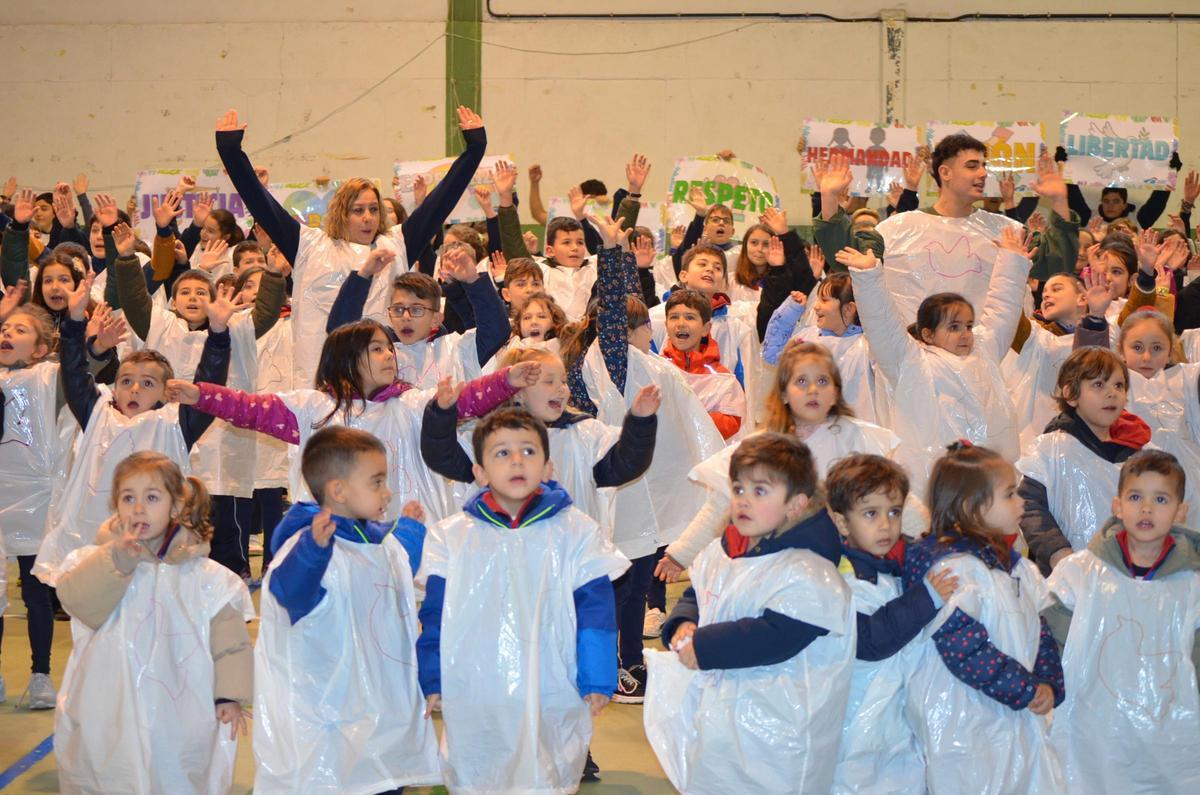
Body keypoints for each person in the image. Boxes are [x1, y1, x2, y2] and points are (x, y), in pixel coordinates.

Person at [416, 407, 630, 792]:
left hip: (553, 677)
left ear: (548, 467)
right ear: (479, 472)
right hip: (477, 682)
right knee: (480, 766)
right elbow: (435, 613)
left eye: (528, 452)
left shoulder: (575, 531)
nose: (517, 461)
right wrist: (432, 674)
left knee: (547, 767)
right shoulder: (451, 536)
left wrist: (597, 675)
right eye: (502, 453)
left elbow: (596, 610)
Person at [214, 105, 488, 387]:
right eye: (358, 210)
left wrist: (475, 147)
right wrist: (230, 150)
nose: (368, 218)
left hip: (382, 383)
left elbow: (441, 200)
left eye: (373, 209)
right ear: (342, 214)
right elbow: (260, 201)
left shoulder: (397, 244)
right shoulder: (308, 245)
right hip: (320, 379)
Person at [165, 318, 538, 524]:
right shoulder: (312, 409)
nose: (389, 355)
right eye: (376, 349)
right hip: (337, 538)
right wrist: (201, 394)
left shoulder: (411, 404)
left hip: (407, 531)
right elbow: (248, 408)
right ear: (345, 359)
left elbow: (467, 400)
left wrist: (507, 381)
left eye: (389, 349)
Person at [645, 433, 855, 794]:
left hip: (779, 731)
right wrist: (683, 623)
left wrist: (705, 646)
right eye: (739, 489)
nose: (743, 500)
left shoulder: (810, 570)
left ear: (796, 504)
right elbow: (700, 591)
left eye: (760, 491)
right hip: (722, 720)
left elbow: (778, 635)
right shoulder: (721, 551)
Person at [54, 452, 254, 794]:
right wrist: (116, 559)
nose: (138, 508)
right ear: (115, 505)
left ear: (175, 507)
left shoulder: (205, 578)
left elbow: (230, 641)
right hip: (107, 706)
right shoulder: (97, 561)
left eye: (151, 497)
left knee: (174, 774)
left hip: (179, 710)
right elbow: (79, 602)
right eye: (128, 497)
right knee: (109, 773)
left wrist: (228, 696)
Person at [253, 427, 439, 793]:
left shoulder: (372, 542)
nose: (387, 492)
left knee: (381, 778)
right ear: (338, 490)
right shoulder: (308, 543)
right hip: (329, 720)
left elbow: (391, 572)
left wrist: (412, 533)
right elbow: (289, 593)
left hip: (376, 712)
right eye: (377, 482)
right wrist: (313, 551)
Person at [658, 342, 921, 580]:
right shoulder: (765, 445)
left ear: (835, 393)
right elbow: (722, 502)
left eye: (822, 381)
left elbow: (893, 495)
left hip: (851, 562)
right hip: (779, 560)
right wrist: (681, 553)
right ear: (784, 393)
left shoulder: (857, 439)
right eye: (802, 382)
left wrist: (925, 533)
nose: (813, 390)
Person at [33, 272, 231, 585]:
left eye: (148, 383)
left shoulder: (175, 423)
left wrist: (218, 335)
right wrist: (73, 321)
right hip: (94, 538)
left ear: (167, 392)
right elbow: (73, 373)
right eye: (126, 381)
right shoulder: (96, 412)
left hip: (156, 544)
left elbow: (209, 387)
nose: (134, 389)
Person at [903, 443, 1066, 794]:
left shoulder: (1016, 566)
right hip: (965, 721)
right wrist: (1024, 687)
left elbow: (1041, 630)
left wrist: (1048, 681)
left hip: (1012, 711)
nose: (1021, 503)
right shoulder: (953, 569)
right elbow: (964, 649)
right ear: (971, 507)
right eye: (1009, 494)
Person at [1042, 450, 1199, 794]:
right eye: (1135, 497)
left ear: (1181, 511)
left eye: (1160, 498)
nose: (1146, 509)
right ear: (1117, 506)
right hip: (1096, 730)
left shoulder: (1192, 582)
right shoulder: (1083, 572)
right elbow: (1046, 626)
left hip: (1168, 731)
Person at [837, 225, 1032, 495]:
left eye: (968, 325)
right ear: (927, 334)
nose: (965, 334)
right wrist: (868, 275)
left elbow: (1002, 311)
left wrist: (1012, 261)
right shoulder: (911, 363)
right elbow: (882, 323)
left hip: (991, 483)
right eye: (953, 327)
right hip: (933, 487)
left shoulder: (984, 350)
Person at [815, 143, 1072, 324]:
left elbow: (1056, 262)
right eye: (972, 166)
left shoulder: (1006, 231)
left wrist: (1060, 201)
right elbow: (848, 259)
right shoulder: (897, 227)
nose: (983, 173)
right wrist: (828, 198)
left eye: (984, 166)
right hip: (914, 365)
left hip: (991, 367)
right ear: (945, 172)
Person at [826, 454, 960, 795]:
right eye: (871, 513)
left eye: (894, 512)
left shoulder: (896, 564)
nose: (885, 525)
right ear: (842, 523)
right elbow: (870, 639)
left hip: (893, 717)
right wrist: (926, 598)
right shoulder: (836, 577)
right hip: (856, 719)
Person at [1018, 347, 1153, 574]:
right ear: (1070, 394)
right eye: (1098, 385)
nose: (1111, 393)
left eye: (1118, 385)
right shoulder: (1052, 448)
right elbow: (1028, 506)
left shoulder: (1141, 452)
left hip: (1128, 578)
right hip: (1068, 580)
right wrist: (1058, 553)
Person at [326, 243, 510, 389]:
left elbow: (497, 330)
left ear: (436, 319)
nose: (406, 317)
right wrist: (363, 275)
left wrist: (472, 279)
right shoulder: (380, 353)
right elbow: (339, 332)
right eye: (398, 309)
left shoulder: (456, 349)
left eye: (416, 310)